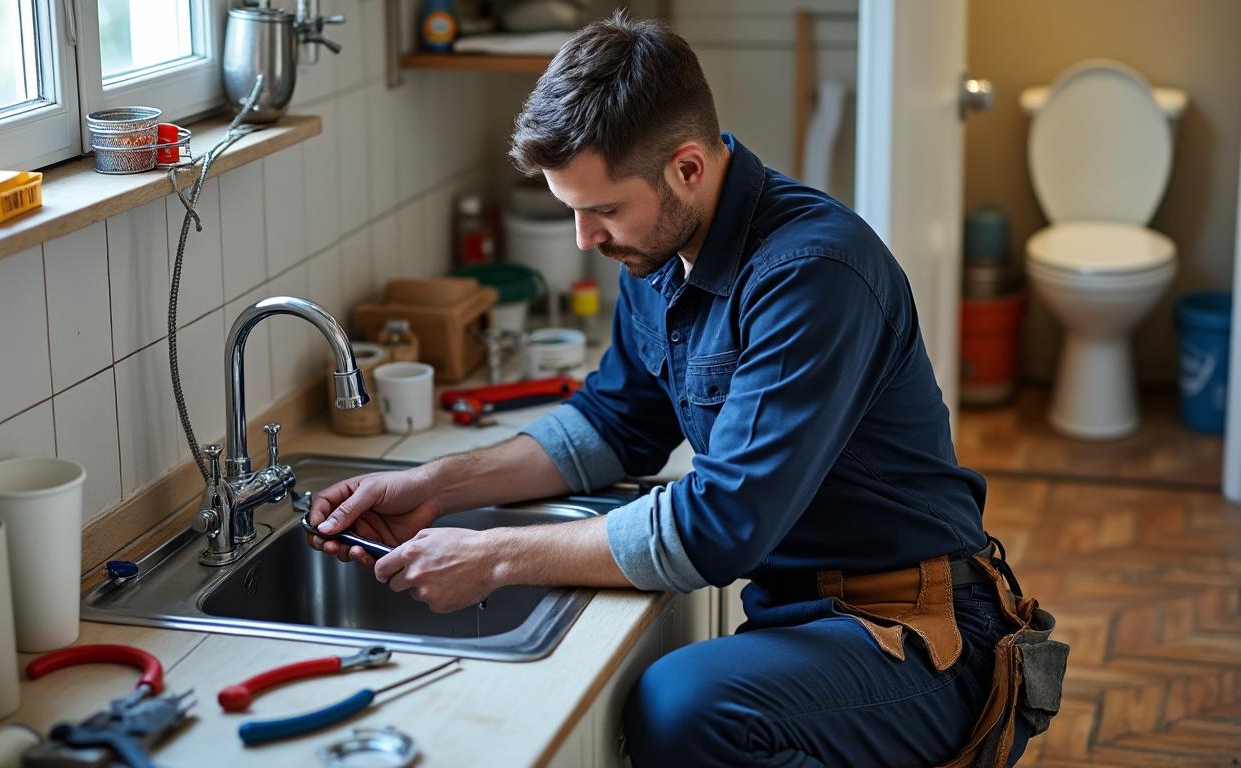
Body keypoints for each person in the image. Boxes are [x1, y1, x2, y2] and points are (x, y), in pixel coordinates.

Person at [307, 12, 1066, 767]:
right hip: (807, 614)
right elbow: (614, 424)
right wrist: (433, 486)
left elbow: (721, 524)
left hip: (917, 635)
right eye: (574, 210)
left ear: (688, 169)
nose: (585, 239)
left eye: (603, 210)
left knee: (686, 707)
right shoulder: (658, 251)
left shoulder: (812, 274)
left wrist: (494, 556)